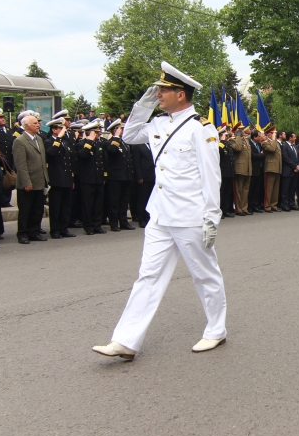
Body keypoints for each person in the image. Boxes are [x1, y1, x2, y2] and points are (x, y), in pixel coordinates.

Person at [93, 61, 227, 359]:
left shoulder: (200, 129)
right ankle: (126, 340)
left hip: (190, 216)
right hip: (160, 214)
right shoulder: (156, 124)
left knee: (204, 275)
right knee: (148, 276)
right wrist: (143, 104)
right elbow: (128, 136)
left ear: (181, 94)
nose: (159, 93)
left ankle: (216, 330)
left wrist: (211, 216)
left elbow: (210, 177)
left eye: (164, 89)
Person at [12, 114, 49, 244]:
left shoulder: (38, 139)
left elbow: (42, 160)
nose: (38, 125)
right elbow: (21, 165)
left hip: (39, 180)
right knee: (26, 210)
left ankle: (34, 231)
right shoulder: (20, 141)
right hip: (27, 182)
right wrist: (26, 182)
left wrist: (46, 178)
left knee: (37, 209)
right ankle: (23, 233)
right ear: (26, 126)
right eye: (35, 123)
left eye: (38, 123)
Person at [44, 118, 76, 238]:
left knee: (66, 206)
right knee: (56, 207)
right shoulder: (48, 142)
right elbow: (51, 153)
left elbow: (69, 161)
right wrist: (58, 139)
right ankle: (55, 230)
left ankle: (64, 228)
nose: (64, 130)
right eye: (61, 128)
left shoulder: (65, 142)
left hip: (67, 179)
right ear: (54, 130)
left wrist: (71, 179)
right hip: (56, 179)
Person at [103, 118, 135, 232]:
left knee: (124, 201)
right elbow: (112, 151)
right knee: (114, 201)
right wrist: (116, 137)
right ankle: (114, 223)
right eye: (120, 129)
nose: (122, 131)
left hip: (126, 176)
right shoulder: (109, 143)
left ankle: (123, 221)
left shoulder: (124, 143)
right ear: (114, 130)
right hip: (115, 177)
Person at [77, 119, 108, 235]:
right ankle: (88, 226)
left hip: (99, 179)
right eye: (96, 132)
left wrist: (104, 177)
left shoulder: (99, 144)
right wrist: (89, 142)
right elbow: (83, 156)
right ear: (90, 133)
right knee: (88, 205)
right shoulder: (81, 144)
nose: (99, 134)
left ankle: (97, 225)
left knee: (98, 204)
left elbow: (104, 161)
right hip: (87, 179)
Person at [130, 138, 155, 228]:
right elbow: (136, 162)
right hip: (144, 176)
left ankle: (148, 215)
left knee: (150, 197)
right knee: (142, 198)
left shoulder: (151, 143)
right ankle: (141, 218)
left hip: (152, 174)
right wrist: (139, 176)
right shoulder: (138, 145)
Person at [229, 125, 253, 216]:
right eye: (241, 130)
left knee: (245, 189)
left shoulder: (246, 139)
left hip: (247, 168)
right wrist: (238, 136)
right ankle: (238, 209)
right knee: (238, 190)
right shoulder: (233, 140)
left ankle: (244, 208)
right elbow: (238, 148)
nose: (244, 131)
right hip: (239, 168)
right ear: (237, 131)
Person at [261, 125, 281, 212]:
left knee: (275, 189)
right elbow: (272, 149)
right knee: (268, 189)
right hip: (270, 168)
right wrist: (273, 139)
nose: (275, 135)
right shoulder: (265, 143)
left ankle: (274, 205)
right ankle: (267, 205)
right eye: (273, 134)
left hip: (277, 168)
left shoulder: (275, 142)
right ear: (269, 134)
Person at [218, 127, 236, 217]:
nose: (227, 137)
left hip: (229, 172)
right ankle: (220, 210)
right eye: (225, 135)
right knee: (222, 192)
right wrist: (220, 143)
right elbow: (218, 156)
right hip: (223, 173)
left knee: (228, 192)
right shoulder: (220, 145)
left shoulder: (227, 144)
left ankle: (226, 210)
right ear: (220, 136)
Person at [280, 130, 299, 211]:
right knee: (285, 189)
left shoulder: (295, 146)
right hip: (288, 170)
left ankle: (292, 204)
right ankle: (284, 204)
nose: (295, 138)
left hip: (296, 171)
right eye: (294, 137)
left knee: (293, 188)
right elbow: (285, 158)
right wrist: (295, 166)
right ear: (290, 138)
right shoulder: (284, 146)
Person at [248, 129, 265, 213]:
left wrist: (261, 155)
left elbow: (263, 154)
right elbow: (252, 155)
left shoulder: (259, 144)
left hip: (260, 168)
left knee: (257, 189)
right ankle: (250, 206)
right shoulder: (249, 144)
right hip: (253, 169)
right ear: (254, 137)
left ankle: (256, 205)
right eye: (258, 136)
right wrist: (260, 155)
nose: (260, 137)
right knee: (252, 188)